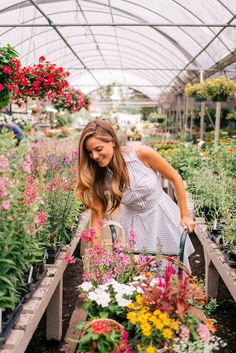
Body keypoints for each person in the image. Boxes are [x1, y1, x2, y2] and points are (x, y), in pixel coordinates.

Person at [76, 119, 195, 268]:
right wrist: (97, 253)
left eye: (98, 149)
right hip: (133, 224)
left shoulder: (140, 154)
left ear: (112, 142)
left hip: (161, 215)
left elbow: (175, 178)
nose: (94, 156)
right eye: (90, 152)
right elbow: (97, 218)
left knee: (172, 267)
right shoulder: (99, 175)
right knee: (139, 271)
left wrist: (184, 215)